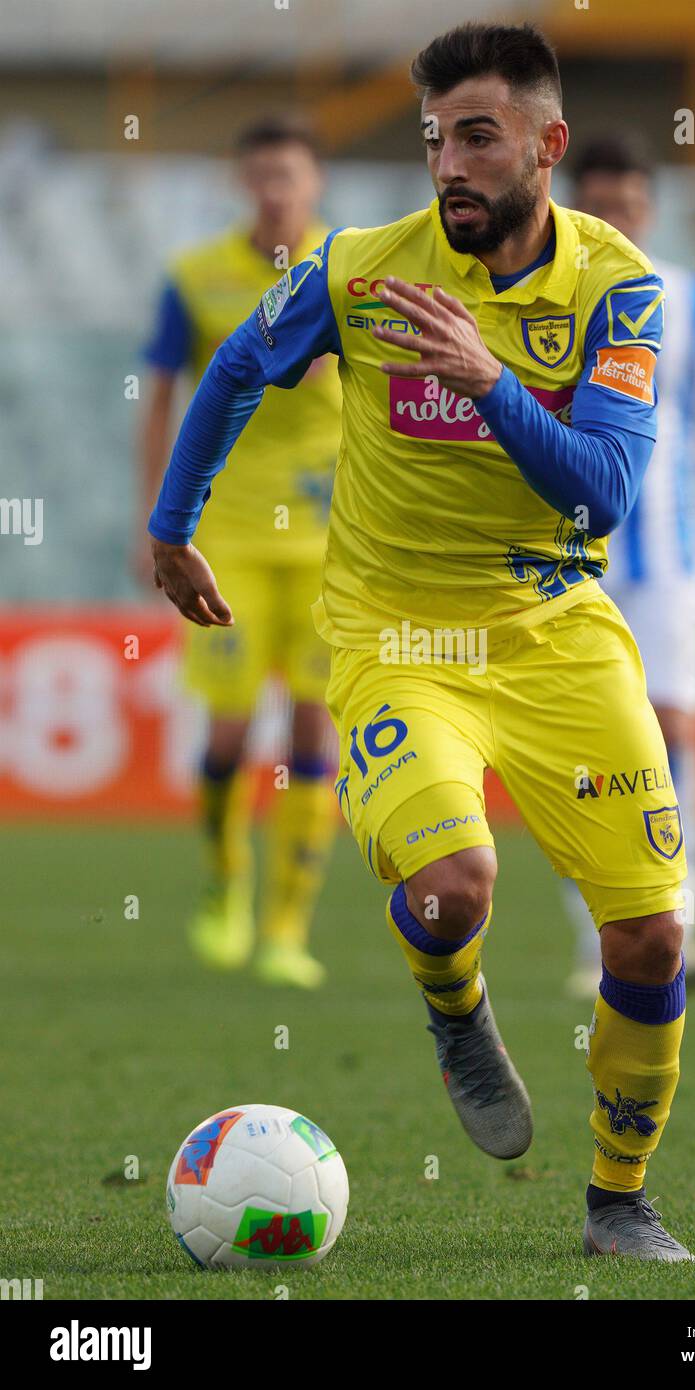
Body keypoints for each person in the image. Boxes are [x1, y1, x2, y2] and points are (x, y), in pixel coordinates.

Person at [147, 23, 695, 1261]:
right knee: (452, 889)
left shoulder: (618, 290)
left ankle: (618, 1194)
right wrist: (173, 529)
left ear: (547, 146)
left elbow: (601, 494)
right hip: (397, 636)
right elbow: (234, 366)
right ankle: (455, 1005)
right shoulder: (358, 269)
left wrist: (488, 379)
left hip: (555, 636)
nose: (448, 162)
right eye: (435, 137)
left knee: (651, 932)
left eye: (479, 136)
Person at [138, 117, 342, 988]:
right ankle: (226, 885)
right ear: (240, 183)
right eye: (259, 176)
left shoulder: (349, 272)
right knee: (228, 728)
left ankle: (287, 928)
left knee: (312, 729)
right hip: (226, 534)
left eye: (288, 177)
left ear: (315, 183)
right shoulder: (195, 278)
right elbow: (161, 398)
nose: (274, 192)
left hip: (334, 536)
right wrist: (154, 517)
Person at [564, 135, 695, 997]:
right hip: (569, 553)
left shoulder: (690, 301)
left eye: (633, 206)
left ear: (651, 209)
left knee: (673, 727)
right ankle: (596, 939)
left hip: (673, 558)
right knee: (589, 740)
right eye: (603, 206)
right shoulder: (545, 292)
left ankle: (680, 917)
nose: (621, 220)